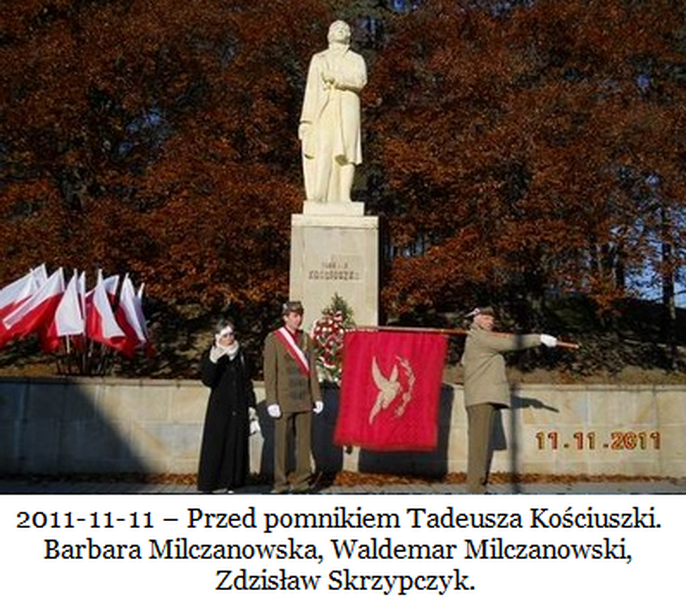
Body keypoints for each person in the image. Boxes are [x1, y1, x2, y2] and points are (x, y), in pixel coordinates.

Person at [461, 306, 558, 494]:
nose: (491, 322)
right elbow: (513, 343)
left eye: (492, 319)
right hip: (482, 398)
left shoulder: (475, 338)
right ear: (476, 319)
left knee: (480, 445)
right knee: (479, 447)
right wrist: (539, 338)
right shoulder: (481, 338)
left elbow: (465, 361)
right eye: (487, 318)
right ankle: (475, 490)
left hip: (480, 397)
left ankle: (478, 487)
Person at [299, 20, 367, 204]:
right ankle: (320, 194)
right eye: (337, 28)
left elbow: (360, 81)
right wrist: (305, 121)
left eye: (345, 28)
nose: (341, 30)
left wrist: (336, 78)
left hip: (348, 108)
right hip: (324, 109)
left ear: (349, 35)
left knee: (348, 152)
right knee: (324, 148)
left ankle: (345, 196)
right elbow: (311, 91)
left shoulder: (356, 59)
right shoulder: (319, 58)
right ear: (329, 34)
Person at [263, 301, 323, 493]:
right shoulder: (274, 339)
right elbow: (270, 373)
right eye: (294, 315)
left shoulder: (306, 339)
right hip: (284, 400)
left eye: (300, 315)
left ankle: (302, 482)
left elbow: (312, 370)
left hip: (304, 399)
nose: (298, 319)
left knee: (304, 444)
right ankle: (280, 483)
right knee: (281, 444)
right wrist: (272, 401)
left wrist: (317, 397)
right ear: (285, 317)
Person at [197, 319, 256, 493]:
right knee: (216, 446)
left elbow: (247, 381)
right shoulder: (211, 354)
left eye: (231, 334)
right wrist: (213, 361)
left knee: (235, 446)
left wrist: (251, 405)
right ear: (218, 337)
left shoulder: (241, 354)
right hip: (219, 408)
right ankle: (210, 483)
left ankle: (233, 483)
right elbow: (208, 380)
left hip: (239, 406)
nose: (230, 338)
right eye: (225, 335)